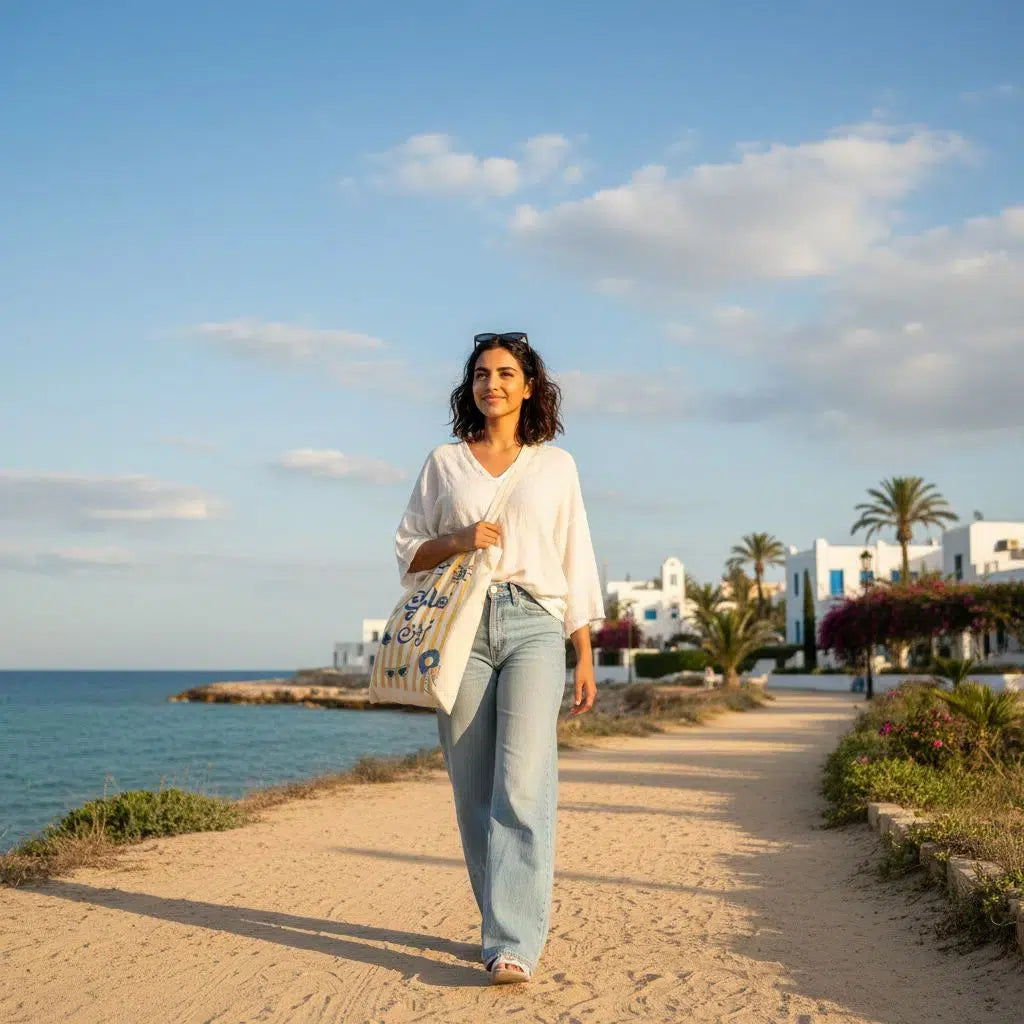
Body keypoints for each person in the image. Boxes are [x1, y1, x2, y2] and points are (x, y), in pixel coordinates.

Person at [394, 331, 604, 985]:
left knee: (521, 782)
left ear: (529, 386)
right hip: (460, 628)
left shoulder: (555, 467)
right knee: (472, 789)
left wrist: (584, 652)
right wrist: (455, 538)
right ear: (471, 386)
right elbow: (407, 549)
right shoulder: (443, 462)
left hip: (535, 625)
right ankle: (500, 923)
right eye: (482, 373)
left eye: (506, 373)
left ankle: (513, 941)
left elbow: (576, 559)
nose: (493, 383)